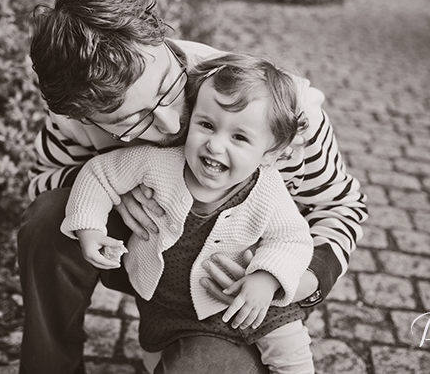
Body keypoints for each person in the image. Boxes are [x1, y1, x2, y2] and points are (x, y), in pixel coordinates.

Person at [19, 0, 368, 374]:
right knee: (51, 217)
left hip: (230, 291)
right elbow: (39, 184)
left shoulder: (280, 110)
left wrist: (297, 282)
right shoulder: (73, 116)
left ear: (161, 39)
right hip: (140, 256)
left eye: (169, 89)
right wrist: (113, 192)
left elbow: (340, 206)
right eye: (129, 123)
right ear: (85, 117)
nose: (169, 123)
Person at [63, 54, 316, 373]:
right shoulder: (158, 164)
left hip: (252, 305)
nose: (215, 145)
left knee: (290, 356)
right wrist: (90, 229)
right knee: (158, 364)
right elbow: (99, 173)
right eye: (207, 125)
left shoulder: (267, 188)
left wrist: (266, 279)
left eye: (239, 137)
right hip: (167, 310)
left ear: (272, 152)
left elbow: (292, 239)